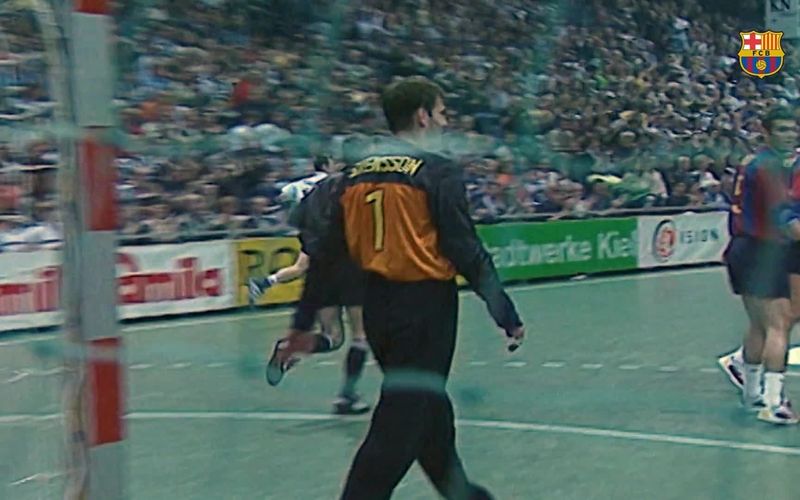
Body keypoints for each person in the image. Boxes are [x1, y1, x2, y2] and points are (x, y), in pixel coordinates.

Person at [269, 76, 525, 499]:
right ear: (422, 116)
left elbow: (324, 257)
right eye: (441, 113)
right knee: (396, 431)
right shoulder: (436, 171)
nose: (445, 122)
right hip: (425, 310)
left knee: (431, 423)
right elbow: (465, 249)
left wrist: (300, 323)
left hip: (377, 310)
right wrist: (505, 313)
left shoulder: (351, 176)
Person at [252, 155, 370, 415]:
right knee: (360, 336)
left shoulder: (318, 189)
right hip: (351, 265)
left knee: (332, 337)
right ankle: (346, 396)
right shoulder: (362, 188)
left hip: (321, 266)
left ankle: (290, 348)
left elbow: (298, 221)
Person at [722, 106, 800, 424]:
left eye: (793, 129)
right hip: (761, 251)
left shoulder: (753, 163)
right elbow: (789, 224)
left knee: (759, 325)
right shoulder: (769, 169)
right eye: (782, 129)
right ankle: (774, 403)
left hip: (742, 249)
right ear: (766, 133)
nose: (790, 135)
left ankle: (752, 393)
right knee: (778, 326)